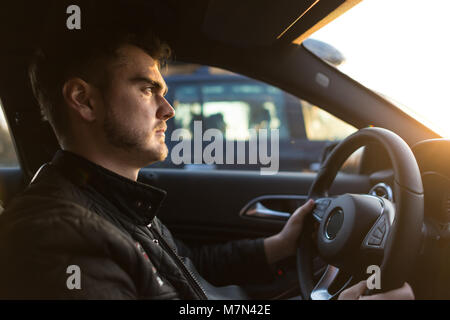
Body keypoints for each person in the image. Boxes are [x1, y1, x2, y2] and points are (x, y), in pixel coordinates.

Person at [0, 23, 413, 299]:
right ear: (84, 100)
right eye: (147, 89)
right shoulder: (56, 237)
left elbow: (190, 268)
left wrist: (279, 246)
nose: (168, 109)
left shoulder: (115, 201)